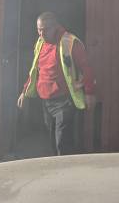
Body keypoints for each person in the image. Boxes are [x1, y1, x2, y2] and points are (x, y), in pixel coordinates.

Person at [17, 12, 96, 156]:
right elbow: (35, 70)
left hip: (65, 101)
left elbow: (87, 67)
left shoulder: (70, 42)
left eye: (45, 29)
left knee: (62, 142)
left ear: (55, 27)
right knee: (53, 142)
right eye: (39, 30)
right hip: (46, 101)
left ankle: (66, 174)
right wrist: (24, 91)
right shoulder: (40, 43)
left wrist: (89, 93)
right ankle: (59, 171)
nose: (41, 33)